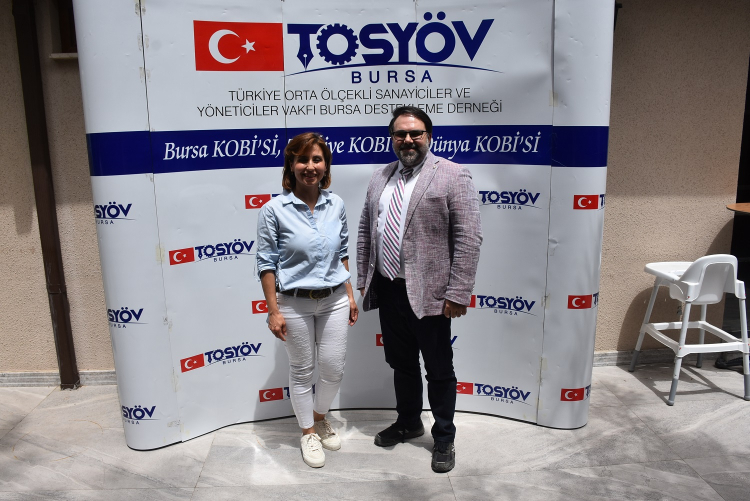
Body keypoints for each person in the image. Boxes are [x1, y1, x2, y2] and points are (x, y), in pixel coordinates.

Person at [357, 106, 482, 473]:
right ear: (392, 138)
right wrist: (363, 279)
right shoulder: (380, 177)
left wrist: (458, 292)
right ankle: (409, 422)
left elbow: (469, 237)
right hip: (388, 289)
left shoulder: (453, 174)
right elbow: (367, 230)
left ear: (429, 136)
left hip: (432, 294)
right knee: (402, 364)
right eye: (400, 134)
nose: (408, 140)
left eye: (415, 133)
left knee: (439, 369)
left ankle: (443, 436)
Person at [256, 132, 358, 469]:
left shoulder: (336, 204)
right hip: (294, 303)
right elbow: (266, 263)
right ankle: (308, 432)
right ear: (291, 165)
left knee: (333, 369)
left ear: (326, 165)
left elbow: (343, 253)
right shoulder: (273, 210)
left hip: (335, 299)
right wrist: (273, 310)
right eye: (302, 160)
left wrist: (349, 294)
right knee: (302, 371)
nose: (310, 166)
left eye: (317, 159)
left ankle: (319, 416)